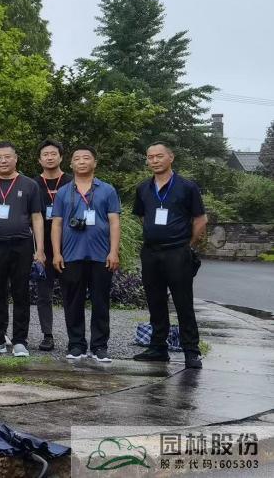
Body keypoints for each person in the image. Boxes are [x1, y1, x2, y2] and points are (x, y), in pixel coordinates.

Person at [131, 142, 205, 369]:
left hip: (177, 251)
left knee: (183, 302)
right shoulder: (143, 188)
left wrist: (187, 245)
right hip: (151, 252)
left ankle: (191, 351)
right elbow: (142, 216)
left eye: (159, 156)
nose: (154, 160)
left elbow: (200, 220)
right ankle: (158, 347)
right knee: (155, 301)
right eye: (150, 157)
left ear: (170, 157)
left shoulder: (187, 187)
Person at [0, 142, 46, 358]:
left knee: (21, 292)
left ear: (15, 158)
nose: (3, 161)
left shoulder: (30, 185)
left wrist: (40, 249)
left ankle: (20, 341)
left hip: (22, 244)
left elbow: (37, 217)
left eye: (7, 157)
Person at [49, 146, 120, 362]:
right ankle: (76, 344)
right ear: (71, 164)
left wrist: (113, 251)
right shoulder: (63, 192)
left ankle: (99, 346)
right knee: (73, 302)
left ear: (94, 163)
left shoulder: (107, 190)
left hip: (101, 255)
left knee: (101, 302)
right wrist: (56, 253)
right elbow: (57, 224)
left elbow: (114, 222)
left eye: (86, 158)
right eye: (77, 158)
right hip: (71, 255)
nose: (81, 162)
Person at [33, 140, 71, 352]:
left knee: (70, 293)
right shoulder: (32, 184)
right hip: (42, 247)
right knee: (43, 294)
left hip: (69, 245)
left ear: (61, 157)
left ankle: (74, 337)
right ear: (39, 159)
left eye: (53, 153)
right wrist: (36, 249)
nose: (49, 157)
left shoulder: (71, 182)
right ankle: (47, 335)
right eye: (45, 154)